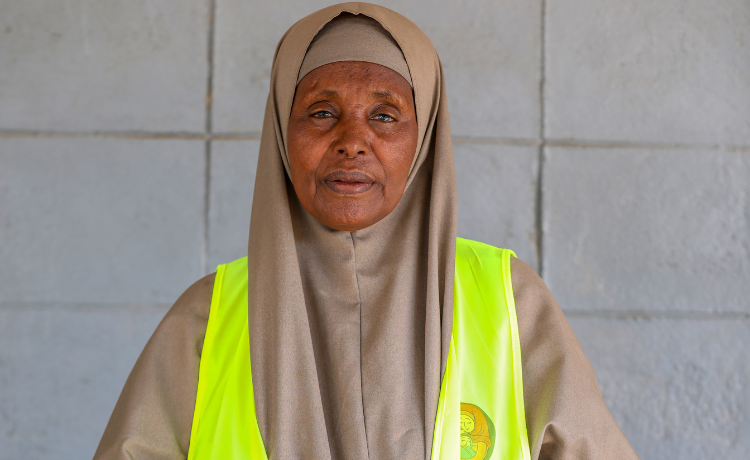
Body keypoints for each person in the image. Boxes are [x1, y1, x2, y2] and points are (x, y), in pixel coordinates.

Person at [93, 3, 640, 459]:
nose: (352, 141)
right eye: (321, 112)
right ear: (283, 134)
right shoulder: (206, 321)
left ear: (422, 139)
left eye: (384, 115)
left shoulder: (509, 301)